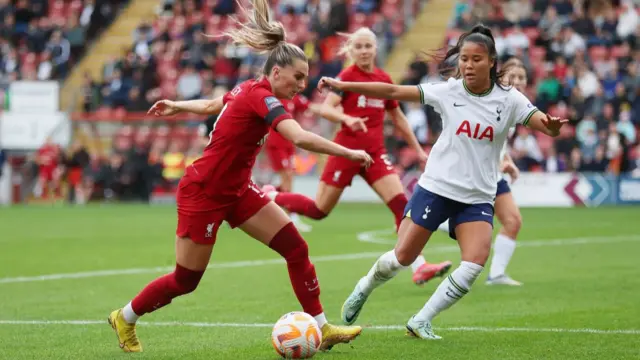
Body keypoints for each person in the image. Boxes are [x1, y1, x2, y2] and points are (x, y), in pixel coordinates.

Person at [107, 0, 371, 352]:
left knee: (296, 247)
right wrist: (350, 151)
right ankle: (125, 317)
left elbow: (214, 104)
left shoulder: (246, 89)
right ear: (276, 73)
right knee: (186, 280)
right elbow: (299, 137)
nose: (301, 84)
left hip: (238, 191)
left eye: (305, 78)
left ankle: (321, 329)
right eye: (297, 77)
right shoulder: (261, 97)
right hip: (204, 191)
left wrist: (178, 105)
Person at [323, 24, 567, 339]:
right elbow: (395, 92)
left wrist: (551, 127)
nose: (467, 65)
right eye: (464, 58)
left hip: (478, 194)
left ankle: (421, 320)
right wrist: (345, 85)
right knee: (402, 258)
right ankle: (365, 285)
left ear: (491, 61)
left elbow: (542, 124)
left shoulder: (510, 99)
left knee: (475, 261)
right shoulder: (448, 90)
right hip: (437, 187)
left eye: (475, 59)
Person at [263, 27, 452, 285]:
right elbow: (327, 109)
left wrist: (418, 151)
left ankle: (419, 266)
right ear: (351, 51)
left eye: (368, 46)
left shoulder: (384, 79)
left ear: (375, 49)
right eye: (359, 47)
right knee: (319, 210)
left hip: (374, 154)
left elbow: (399, 119)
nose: (364, 51)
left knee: (401, 206)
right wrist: (346, 118)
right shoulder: (346, 77)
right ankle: (272, 195)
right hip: (346, 152)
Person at [436, 57, 527, 286]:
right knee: (479, 233)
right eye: (512, 77)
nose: (517, 81)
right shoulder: (488, 100)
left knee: (513, 221)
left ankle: (496, 275)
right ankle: (443, 221)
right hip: (472, 174)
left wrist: (507, 162)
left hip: (492, 175)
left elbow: (497, 143)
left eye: (521, 77)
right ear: (500, 78)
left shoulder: (514, 105)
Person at [263, 94, 314, 232]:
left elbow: (309, 106)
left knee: (289, 178)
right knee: (287, 177)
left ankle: (265, 194)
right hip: (276, 143)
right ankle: (291, 217)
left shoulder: (293, 97)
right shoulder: (272, 98)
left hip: (289, 144)